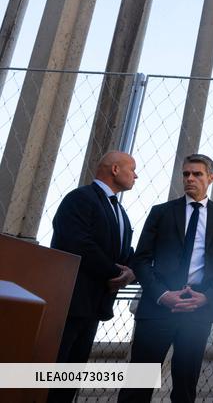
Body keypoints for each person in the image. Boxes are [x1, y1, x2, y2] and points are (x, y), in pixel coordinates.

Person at [119, 153, 213, 403]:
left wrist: (207, 296)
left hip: (198, 311)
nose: (190, 179)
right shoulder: (161, 213)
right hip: (157, 308)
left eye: (197, 174)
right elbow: (141, 259)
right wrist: (163, 295)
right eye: (186, 174)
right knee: (137, 385)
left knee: (185, 386)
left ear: (211, 178)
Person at [50, 151, 137, 403]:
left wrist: (130, 272)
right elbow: (77, 242)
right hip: (71, 302)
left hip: (94, 305)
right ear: (115, 170)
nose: (136, 175)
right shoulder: (80, 199)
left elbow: (124, 252)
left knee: (71, 375)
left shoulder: (119, 211)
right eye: (132, 169)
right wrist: (115, 272)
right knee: (54, 369)